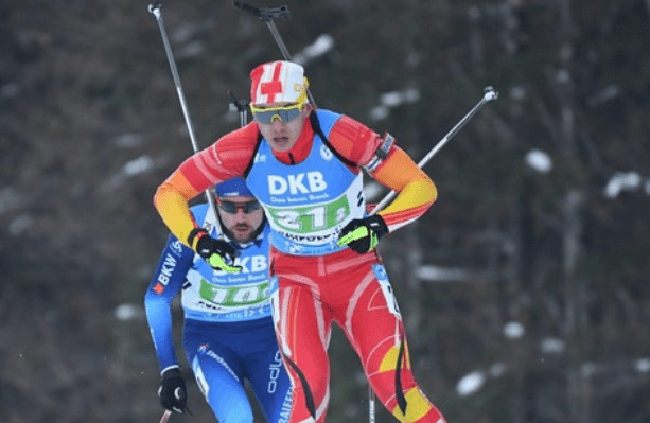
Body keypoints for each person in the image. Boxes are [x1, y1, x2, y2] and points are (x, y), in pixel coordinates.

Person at [153, 60, 447, 423]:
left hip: (356, 273)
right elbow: (169, 193)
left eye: (287, 113)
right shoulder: (243, 147)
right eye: (265, 115)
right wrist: (198, 241)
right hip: (295, 281)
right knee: (307, 399)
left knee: (396, 390)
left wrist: (379, 224)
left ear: (306, 107)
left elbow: (421, 186)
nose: (276, 126)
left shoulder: (340, 134)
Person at [144, 177, 292, 423]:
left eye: (252, 206)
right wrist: (169, 370)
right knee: (237, 417)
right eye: (230, 207)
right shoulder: (195, 226)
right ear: (215, 203)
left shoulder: (282, 223)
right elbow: (157, 298)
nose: (241, 218)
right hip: (211, 339)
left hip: (271, 339)